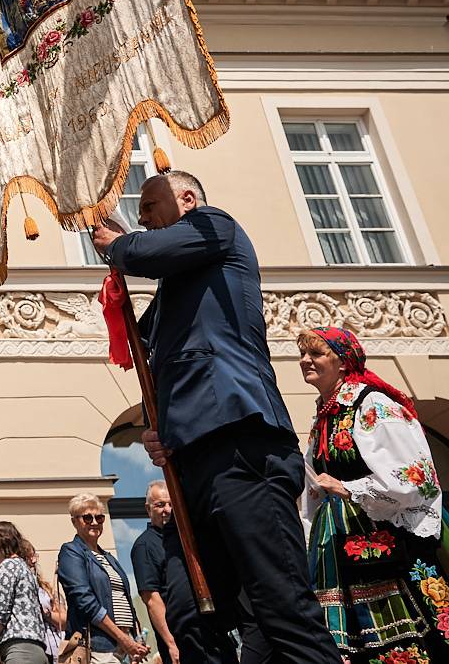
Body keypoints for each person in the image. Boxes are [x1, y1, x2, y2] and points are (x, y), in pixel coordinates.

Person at [91, 170, 341, 664]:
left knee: (282, 608)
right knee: (199, 614)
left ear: (187, 199)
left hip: (239, 441)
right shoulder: (176, 290)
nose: (143, 218)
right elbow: (160, 360)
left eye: (150, 205)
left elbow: (146, 253)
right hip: (195, 459)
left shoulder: (215, 227)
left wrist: (118, 245)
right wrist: (159, 428)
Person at [299, 328, 449, 664]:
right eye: (303, 354)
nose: (305, 360)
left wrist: (349, 488)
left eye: (316, 354)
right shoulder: (324, 414)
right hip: (338, 534)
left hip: (388, 529)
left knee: (420, 626)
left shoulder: (372, 403)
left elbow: (415, 477)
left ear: (343, 362)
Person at [56, 495, 144, 664]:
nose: (95, 522)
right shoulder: (71, 551)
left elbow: (125, 600)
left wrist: (135, 639)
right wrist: (123, 638)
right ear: (74, 522)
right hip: (97, 646)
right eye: (87, 518)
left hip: (123, 646)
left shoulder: (109, 558)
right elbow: (85, 601)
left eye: (99, 517)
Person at [0, 522, 49, 664]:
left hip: (20, 652)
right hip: (37, 650)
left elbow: (1, 615)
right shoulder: (24, 568)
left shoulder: (7, 565)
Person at [128, 482, 178, 664]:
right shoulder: (144, 546)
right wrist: (171, 643)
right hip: (178, 637)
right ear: (148, 509)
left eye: (171, 504)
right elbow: (151, 599)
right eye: (160, 505)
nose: (167, 510)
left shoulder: (183, 537)